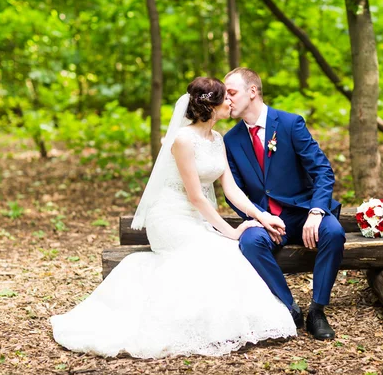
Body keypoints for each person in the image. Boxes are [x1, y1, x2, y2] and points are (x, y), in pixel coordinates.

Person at [50, 77, 296, 359]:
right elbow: (195, 196)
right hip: (170, 218)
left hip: (196, 218)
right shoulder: (182, 139)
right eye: (224, 98)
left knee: (230, 254)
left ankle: (223, 324)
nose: (230, 102)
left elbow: (231, 188)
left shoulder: (217, 140)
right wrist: (231, 231)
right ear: (211, 106)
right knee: (220, 250)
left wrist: (262, 216)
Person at [223, 68, 346, 341]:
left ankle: (317, 310)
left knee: (334, 232)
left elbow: (323, 171)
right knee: (250, 242)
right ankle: (289, 307)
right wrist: (258, 217)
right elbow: (236, 191)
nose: (227, 99)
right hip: (264, 219)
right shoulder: (230, 140)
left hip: (303, 212)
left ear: (252, 91)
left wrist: (316, 211)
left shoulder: (290, 124)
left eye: (231, 93)